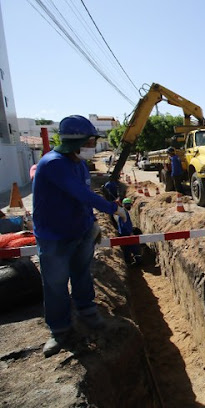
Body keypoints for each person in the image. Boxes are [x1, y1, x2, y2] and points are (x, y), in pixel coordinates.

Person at [32, 115, 127, 357]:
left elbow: (84, 196)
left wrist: (93, 223)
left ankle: (87, 311)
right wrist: (113, 208)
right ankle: (60, 330)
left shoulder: (80, 164)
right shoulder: (53, 164)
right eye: (90, 141)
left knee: (82, 273)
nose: (92, 146)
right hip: (55, 236)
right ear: (77, 142)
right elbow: (82, 194)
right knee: (55, 284)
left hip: (81, 231)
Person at [116, 197, 142, 266]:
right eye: (127, 205)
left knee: (128, 248)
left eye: (129, 205)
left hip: (124, 232)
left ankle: (130, 261)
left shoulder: (123, 212)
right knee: (133, 247)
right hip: (126, 233)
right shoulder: (124, 213)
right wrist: (130, 232)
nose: (129, 206)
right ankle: (135, 261)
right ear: (124, 205)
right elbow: (124, 224)